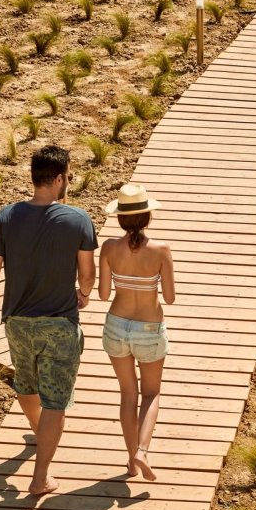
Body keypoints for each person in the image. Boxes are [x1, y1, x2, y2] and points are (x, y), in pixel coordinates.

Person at [0, 145, 97, 497]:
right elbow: (87, 274)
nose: (68, 181)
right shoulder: (77, 219)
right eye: (68, 176)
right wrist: (83, 293)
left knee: (25, 384)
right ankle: (40, 478)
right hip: (58, 324)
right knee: (55, 399)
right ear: (57, 179)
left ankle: (41, 431)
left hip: (17, 322)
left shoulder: (6, 217)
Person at [99, 183, 174, 481]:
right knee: (151, 393)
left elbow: (104, 294)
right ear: (148, 217)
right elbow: (169, 297)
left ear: (120, 218)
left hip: (116, 326)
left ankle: (131, 462)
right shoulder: (160, 250)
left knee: (127, 394)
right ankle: (142, 450)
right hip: (149, 328)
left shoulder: (108, 248)